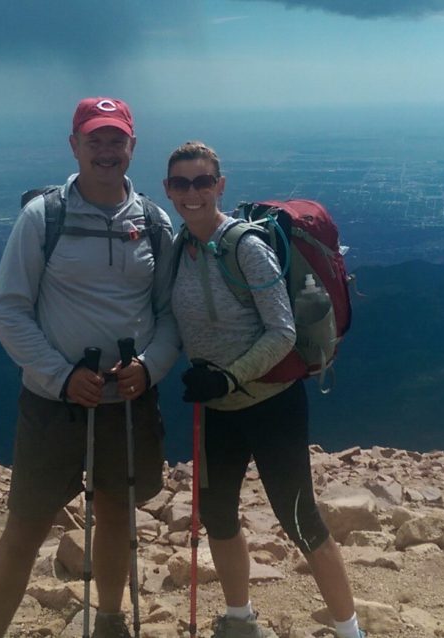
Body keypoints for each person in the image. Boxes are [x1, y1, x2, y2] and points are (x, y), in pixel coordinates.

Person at [0, 97, 180, 638]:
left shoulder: (155, 223)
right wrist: (61, 376)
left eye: (116, 140)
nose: (106, 150)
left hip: (128, 400)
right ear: (74, 146)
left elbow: (167, 315)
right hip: (52, 404)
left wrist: (151, 367)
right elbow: (9, 310)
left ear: (132, 147)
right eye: (95, 140)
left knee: (117, 514)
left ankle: (110, 621)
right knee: (25, 526)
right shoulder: (44, 218)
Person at [165, 141, 365, 638]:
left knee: (299, 518)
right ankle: (239, 620)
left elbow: (283, 332)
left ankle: (350, 631)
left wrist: (229, 375)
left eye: (202, 182)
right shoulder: (178, 250)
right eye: (181, 183)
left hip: (270, 404)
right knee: (217, 515)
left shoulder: (245, 247)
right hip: (215, 408)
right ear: (169, 190)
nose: (193, 193)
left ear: (220, 186)